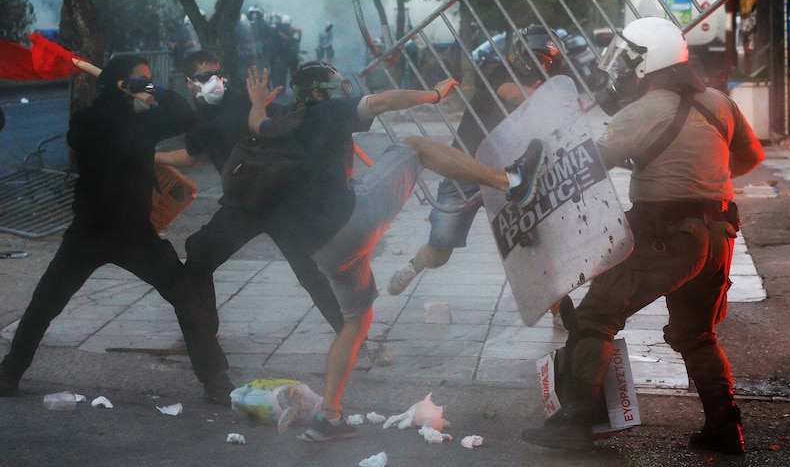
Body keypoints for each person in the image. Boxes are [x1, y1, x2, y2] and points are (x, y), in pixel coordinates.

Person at [243, 61, 546, 442]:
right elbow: (384, 101)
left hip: (322, 250)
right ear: (319, 94)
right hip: (352, 222)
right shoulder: (327, 110)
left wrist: (257, 101)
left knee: (356, 323)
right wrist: (434, 95)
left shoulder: (282, 123)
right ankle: (512, 181)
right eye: (338, 84)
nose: (346, 87)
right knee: (415, 147)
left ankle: (329, 417)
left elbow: (257, 122)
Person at [519, 17, 765, 454]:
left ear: (646, 64)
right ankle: (726, 429)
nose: (618, 70)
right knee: (697, 334)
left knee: (596, 319)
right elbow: (748, 158)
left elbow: (586, 170)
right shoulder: (719, 103)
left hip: (664, 235)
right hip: (720, 236)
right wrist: (701, 176)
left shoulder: (640, 112)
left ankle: (574, 425)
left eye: (627, 60)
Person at [0, 55, 234, 405]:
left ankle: (215, 379)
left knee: (185, 295)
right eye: (140, 79)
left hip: (134, 233)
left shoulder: (145, 121)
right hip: (89, 232)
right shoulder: (91, 119)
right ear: (119, 85)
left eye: (148, 80)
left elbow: (185, 116)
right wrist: (120, 97)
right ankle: (9, 374)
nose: (146, 86)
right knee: (45, 304)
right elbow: (84, 135)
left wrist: (150, 88)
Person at [154, 51, 346, 347]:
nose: (216, 83)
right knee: (199, 254)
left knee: (309, 271)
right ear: (190, 83)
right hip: (243, 204)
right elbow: (191, 156)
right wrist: (151, 157)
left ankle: (353, 339)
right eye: (205, 77)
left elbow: (289, 120)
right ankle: (206, 334)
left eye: (218, 75)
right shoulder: (196, 117)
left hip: (279, 198)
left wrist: (267, 104)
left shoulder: (243, 99)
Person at [387, 25, 567, 301]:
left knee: (537, 244)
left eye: (547, 62)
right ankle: (415, 265)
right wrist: (556, 100)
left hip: (516, 175)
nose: (540, 66)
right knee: (440, 248)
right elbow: (510, 92)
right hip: (466, 170)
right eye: (537, 58)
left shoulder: (544, 88)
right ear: (521, 55)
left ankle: (560, 310)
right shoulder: (500, 73)